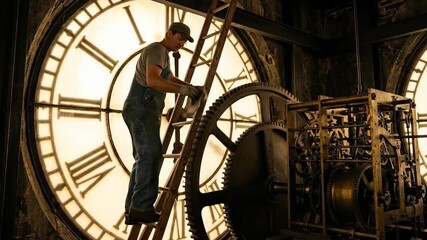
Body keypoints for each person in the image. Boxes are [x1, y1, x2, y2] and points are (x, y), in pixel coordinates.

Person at [122, 22, 202, 225]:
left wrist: (189, 87)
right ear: (169, 33)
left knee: (143, 158)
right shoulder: (157, 49)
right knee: (150, 155)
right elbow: (153, 81)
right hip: (142, 109)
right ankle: (141, 208)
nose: (182, 43)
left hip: (143, 110)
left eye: (185, 40)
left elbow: (169, 77)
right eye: (179, 38)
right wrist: (185, 91)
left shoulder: (161, 54)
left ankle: (133, 209)